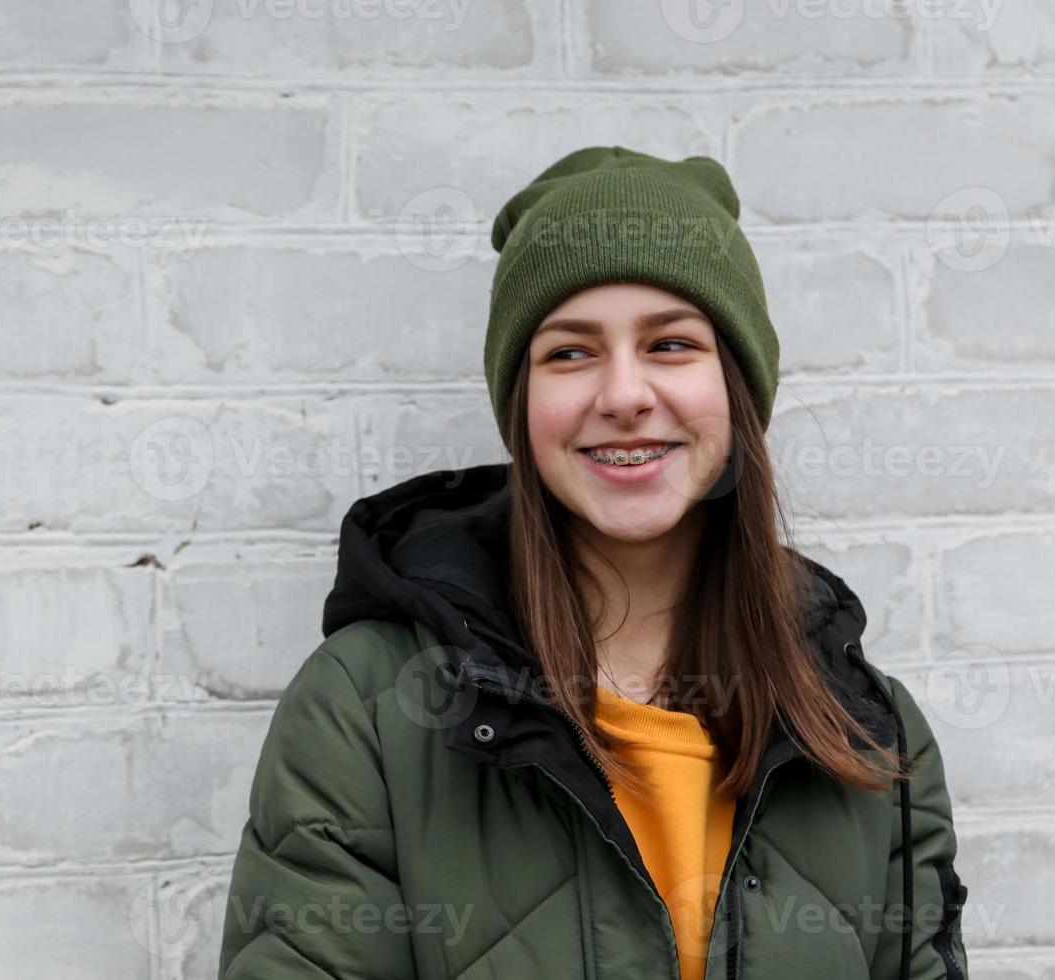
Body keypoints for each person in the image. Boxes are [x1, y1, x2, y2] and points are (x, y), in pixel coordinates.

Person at [217, 146, 970, 980]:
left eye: (672, 345)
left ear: (739, 389)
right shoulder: (364, 710)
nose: (622, 394)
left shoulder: (869, 735)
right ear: (523, 404)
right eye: (570, 353)